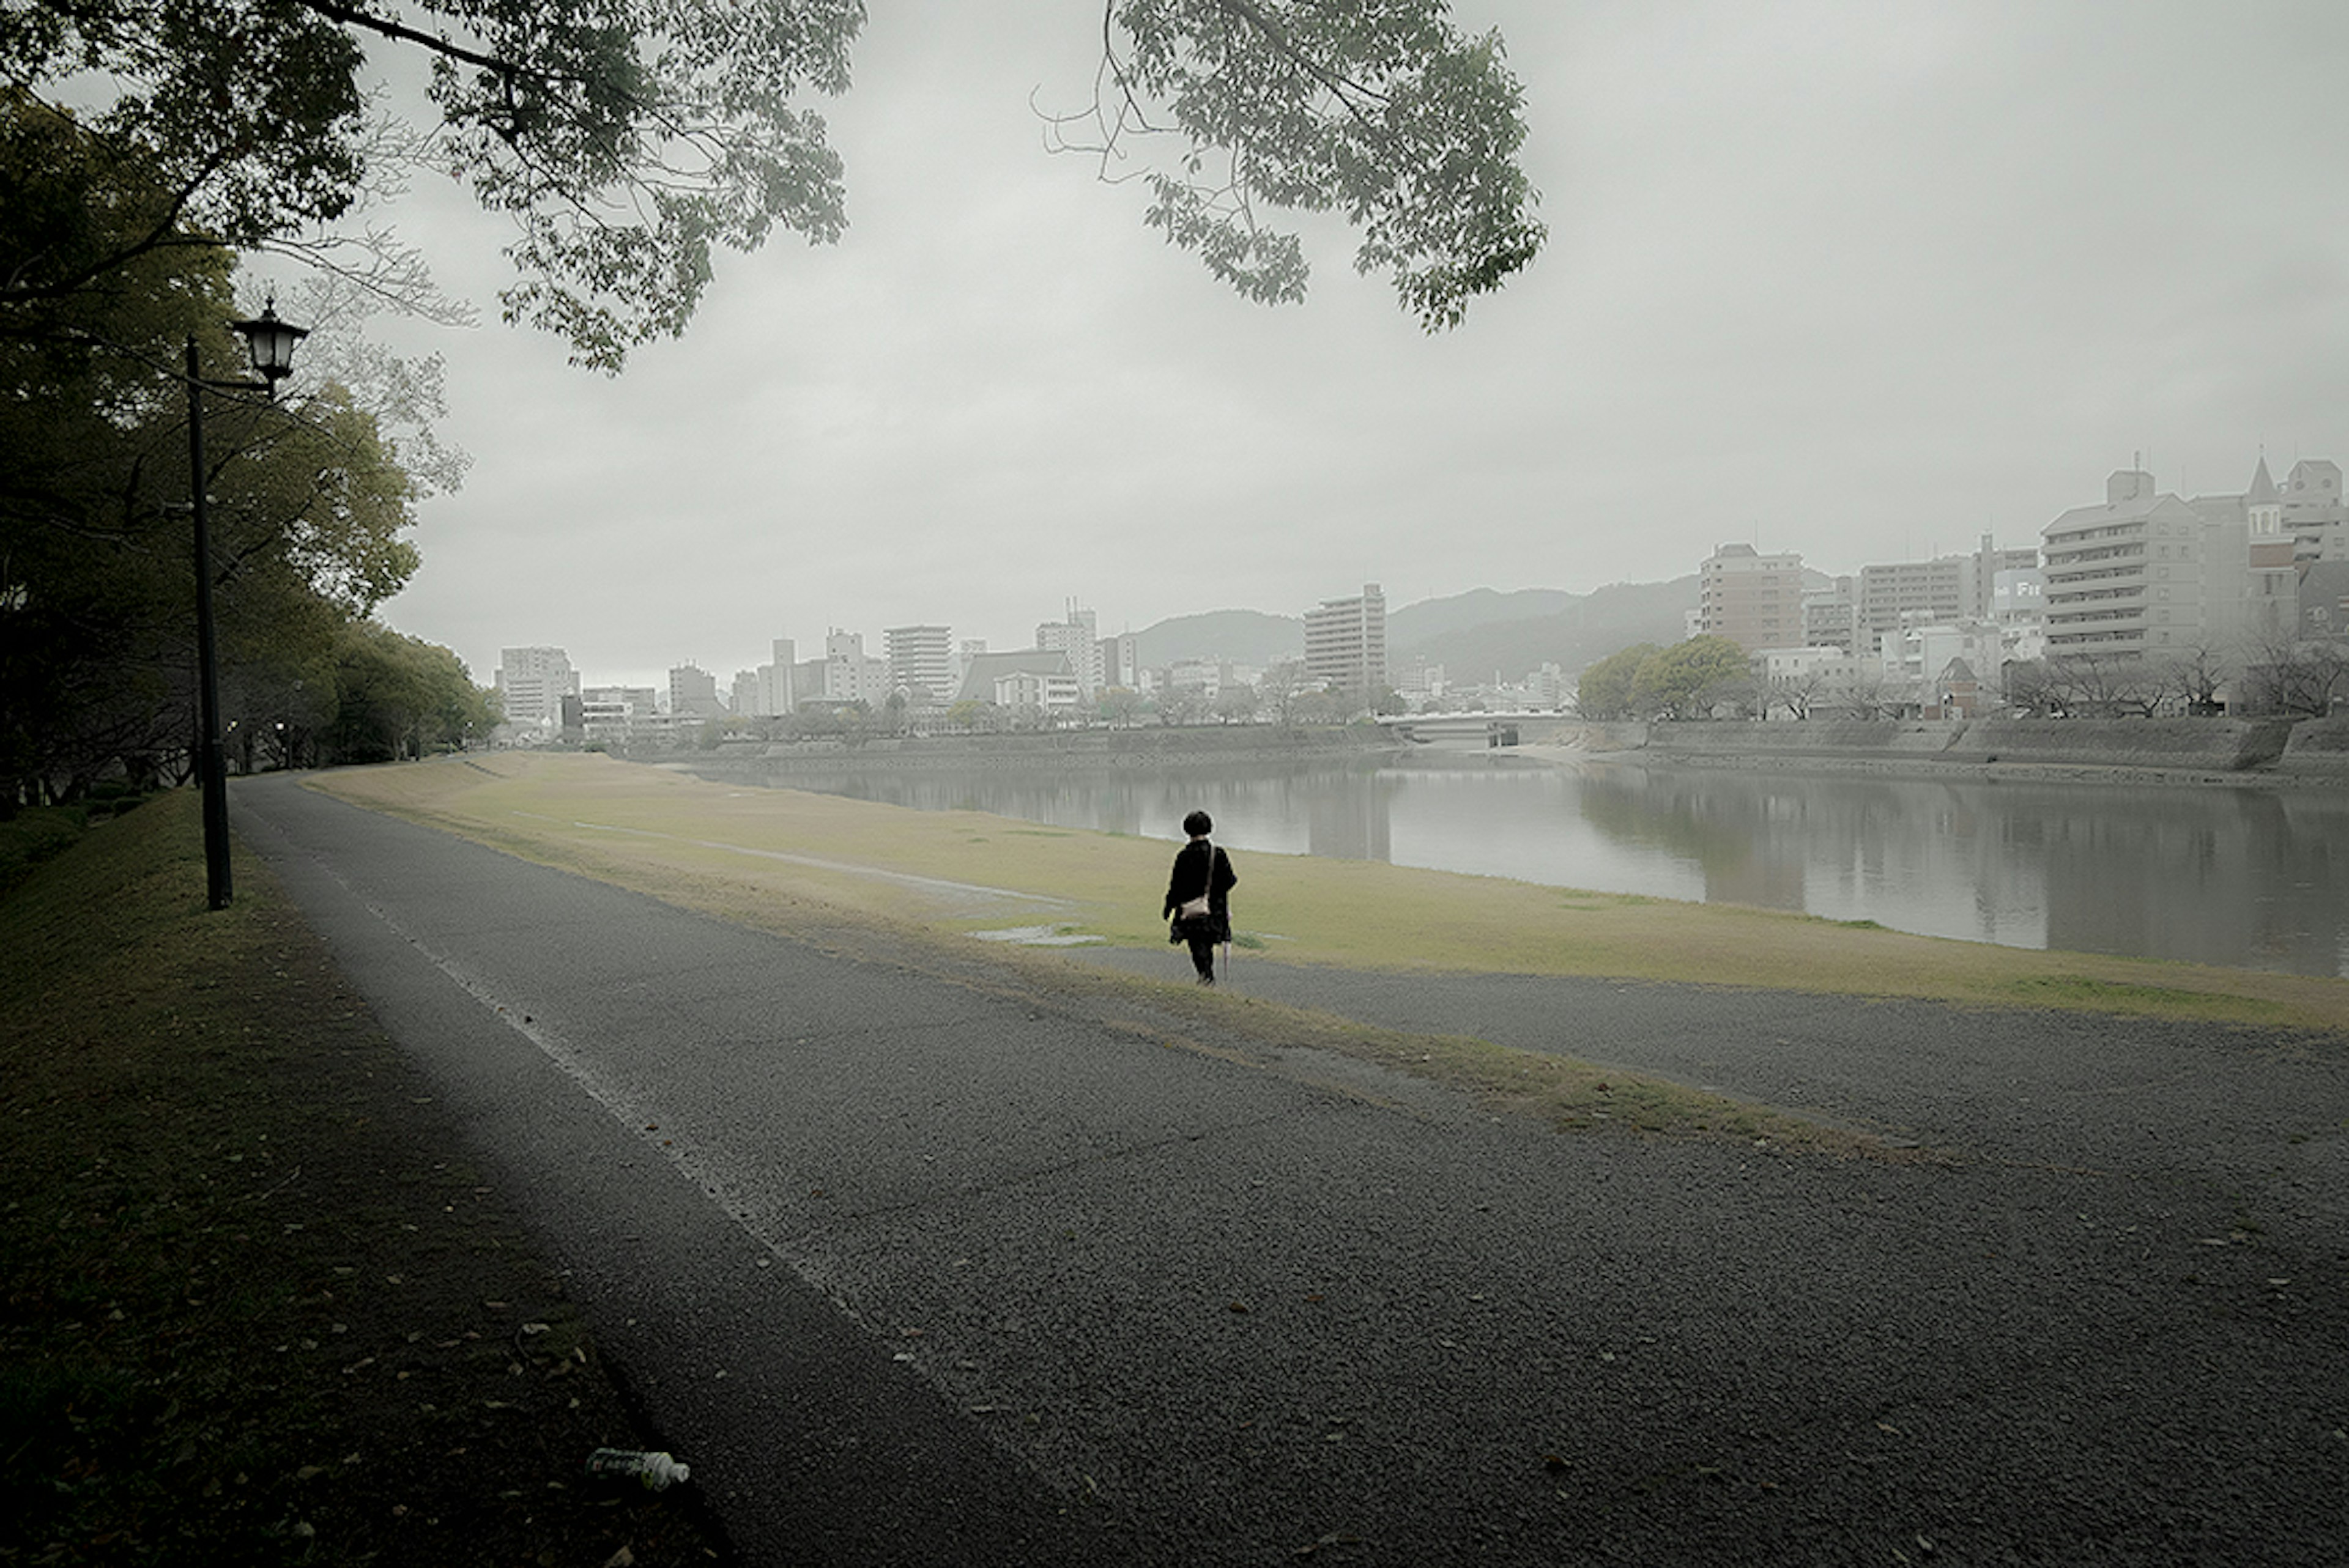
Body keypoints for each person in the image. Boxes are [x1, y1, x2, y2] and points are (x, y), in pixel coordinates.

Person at [1162, 808, 1238, 985]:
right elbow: (1230, 881)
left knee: (1197, 947)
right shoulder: (1218, 854)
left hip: (1190, 911)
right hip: (1214, 909)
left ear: (1187, 830)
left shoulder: (1183, 856)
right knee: (1207, 945)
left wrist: (1168, 908)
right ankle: (1207, 978)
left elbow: (1176, 886)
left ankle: (1205, 977)